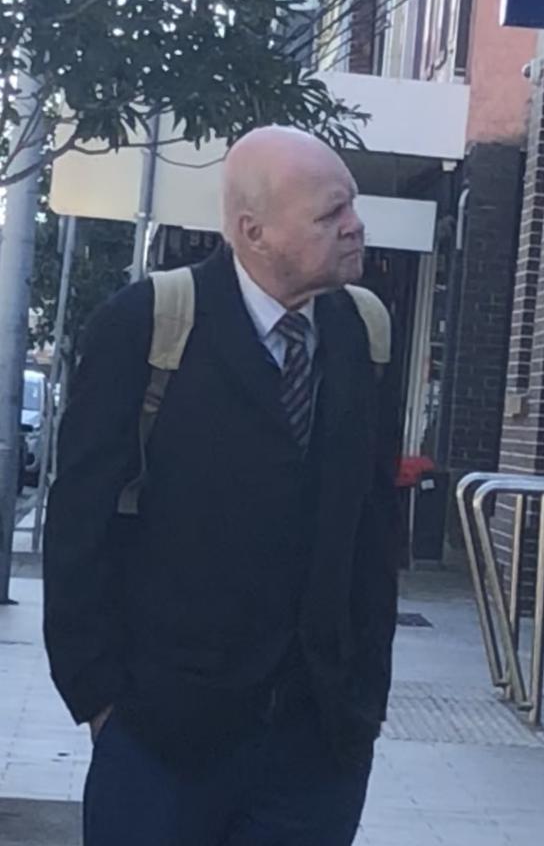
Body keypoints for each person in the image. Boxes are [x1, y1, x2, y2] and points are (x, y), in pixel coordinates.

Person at [43, 126, 399, 846]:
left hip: (317, 743)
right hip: (162, 740)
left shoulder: (363, 333)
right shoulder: (148, 325)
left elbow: (373, 529)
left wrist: (363, 701)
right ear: (252, 231)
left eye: (352, 206)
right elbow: (76, 530)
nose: (355, 226)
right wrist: (101, 701)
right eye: (330, 213)